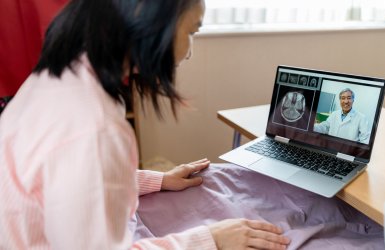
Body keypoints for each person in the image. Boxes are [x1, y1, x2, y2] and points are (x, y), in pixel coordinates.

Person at [0, 0, 290, 249]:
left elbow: (72, 184)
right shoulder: (92, 127)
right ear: (149, 22)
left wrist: (159, 180)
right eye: (191, 31)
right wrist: (212, 240)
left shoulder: (63, 77)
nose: (189, 51)